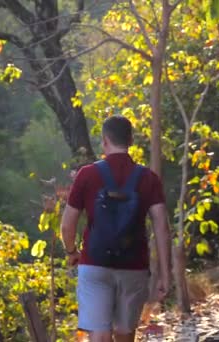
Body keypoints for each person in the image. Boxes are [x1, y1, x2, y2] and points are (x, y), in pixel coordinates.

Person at [60, 115, 171, 342]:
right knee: (124, 334)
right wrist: (165, 274)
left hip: (95, 264)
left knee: (99, 335)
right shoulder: (148, 178)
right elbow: (162, 227)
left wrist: (72, 252)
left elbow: (67, 224)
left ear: (104, 141)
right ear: (131, 140)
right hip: (134, 267)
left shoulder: (87, 175)